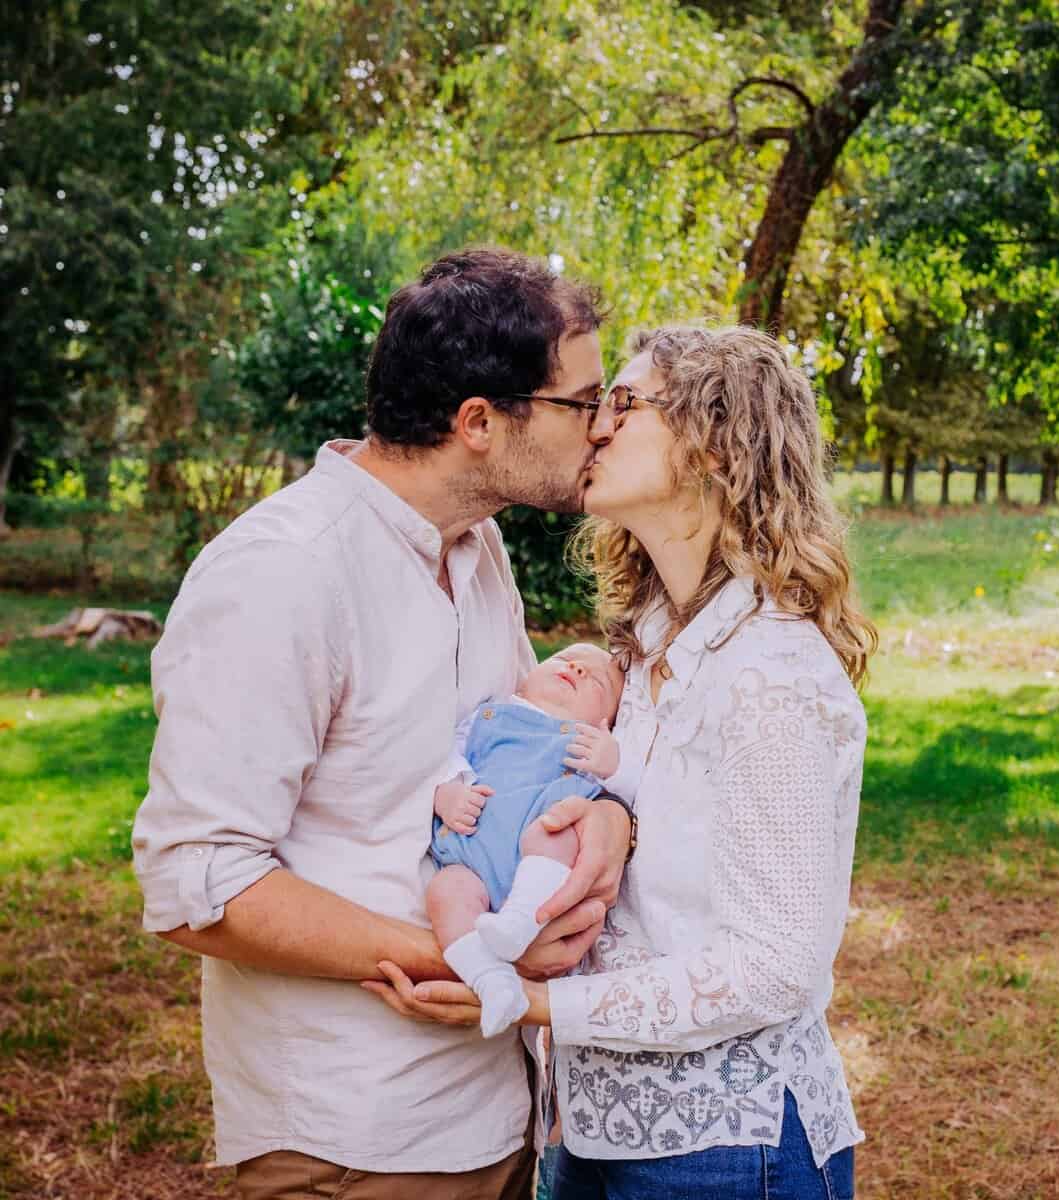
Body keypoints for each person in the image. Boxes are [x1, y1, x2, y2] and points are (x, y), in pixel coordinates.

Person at [131, 247, 635, 1200]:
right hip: (355, 1137)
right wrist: (467, 953)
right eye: (584, 402)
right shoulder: (283, 573)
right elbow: (195, 882)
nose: (603, 428)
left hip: (497, 1107)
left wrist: (609, 818)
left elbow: (514, 752)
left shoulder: (476, 547)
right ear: (479, 422)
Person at [371, 325, 876, 1199]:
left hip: (730, 1146)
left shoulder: (772, 674)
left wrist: (529, 1001)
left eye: (625, 403)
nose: (595, 426)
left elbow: (774, 968)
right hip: (593, 1123)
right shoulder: (643, 656)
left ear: (717, 443)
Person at [428, 643, 627, 1037]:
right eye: (563, 660)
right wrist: (448, 793)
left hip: (540, 855)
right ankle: (490, 980)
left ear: (608, 720)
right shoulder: (493, 712)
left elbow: (618, 799)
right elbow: (446, 757)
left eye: (598, 682)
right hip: (472, 853)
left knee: (554, 829)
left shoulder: (592, 743)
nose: (576, 669)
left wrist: (613, 763)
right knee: (443, 894)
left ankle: (521, 920)